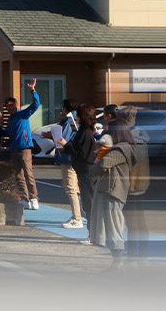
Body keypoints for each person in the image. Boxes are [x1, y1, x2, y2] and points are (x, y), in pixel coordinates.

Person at [91, 122, 136, 267]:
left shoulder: (119, 150)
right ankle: (117, 263)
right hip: (116, 190)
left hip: (112, 190)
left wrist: (100, 154)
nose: (106, 133)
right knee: (114, 226)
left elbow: (101, 166)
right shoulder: (127, 148)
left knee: (113, 228)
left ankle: (118, 264)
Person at [117, 106, 151, 265]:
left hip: (129, 184)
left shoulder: (126, 139)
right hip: (142, 183)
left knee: (131, 223)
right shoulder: (142, 137)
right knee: (141, 221)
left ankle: (131, 256)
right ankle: (143, 254)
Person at [3, 79, 43, 210]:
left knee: (28, 173)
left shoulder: (23, 114)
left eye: (11, 104)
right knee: (18, 175)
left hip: (25, 148)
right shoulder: (9, 120)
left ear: (16, 104)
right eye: (7, 106)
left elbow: (35, 104)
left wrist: (33, 90)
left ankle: (34, 198)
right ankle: (25, 199)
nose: (10, 107)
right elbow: (7, 132)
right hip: (14, 150)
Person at [47, 99, 86, 230]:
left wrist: (51, 135)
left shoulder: (70, 120)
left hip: (68, 158)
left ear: (66, 108)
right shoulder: (73, 119)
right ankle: (77, 215)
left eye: (62, 108)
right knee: (74, 188)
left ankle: (77, 218)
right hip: (71, 158)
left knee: (71, 188)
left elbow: (63, 139)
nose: (61, 110)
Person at [71, 104, 100, 244]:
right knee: (88, 201)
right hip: (85, 170)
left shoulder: (85, 133)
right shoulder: (85, 131)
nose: (76, 117)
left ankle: (94, 234)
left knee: (89, 201)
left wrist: (66, 146)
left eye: (78, 114)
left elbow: (83, 154)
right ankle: (93, 233)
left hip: (87, 170)